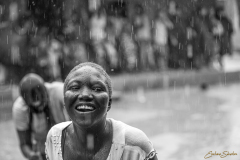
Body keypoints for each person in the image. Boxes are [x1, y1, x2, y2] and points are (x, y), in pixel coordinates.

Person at [45, 62, 158, 160]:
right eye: (75, 87)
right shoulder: (55, 138)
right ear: (64, 101)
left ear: (109, 103)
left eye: (97, 89)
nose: (85, 95)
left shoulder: (134, 146)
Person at [12, 73, 69, 160]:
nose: (40, 107)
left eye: (42, 103)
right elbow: (24, 144)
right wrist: (31, 155)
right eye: (35, 106)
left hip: (68, 141)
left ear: (46, 91)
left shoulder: (60, 92)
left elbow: (79, 125)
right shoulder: (19, 108)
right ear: (26, 102)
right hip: (43, 148)